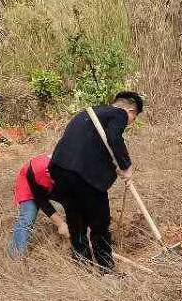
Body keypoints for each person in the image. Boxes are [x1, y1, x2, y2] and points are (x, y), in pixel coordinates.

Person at [50, 91, 144, 272]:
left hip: (60, 171)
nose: (130, 122)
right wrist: (126, 166)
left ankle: (82, 267)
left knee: (76, 222)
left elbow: (92, 145)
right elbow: (114, 137)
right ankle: (106, 270)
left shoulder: (88, 113)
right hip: (84, 176)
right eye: (134, 118)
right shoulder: (119, 113)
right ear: (131, 111)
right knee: (99, 224)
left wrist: (115, 166)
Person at [9, 154, 69, 257]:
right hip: (29, 183)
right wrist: (60, 223)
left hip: (50, 184)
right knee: (28, 216)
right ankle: (16, 256)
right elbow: (42, 201)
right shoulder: (37, 170)